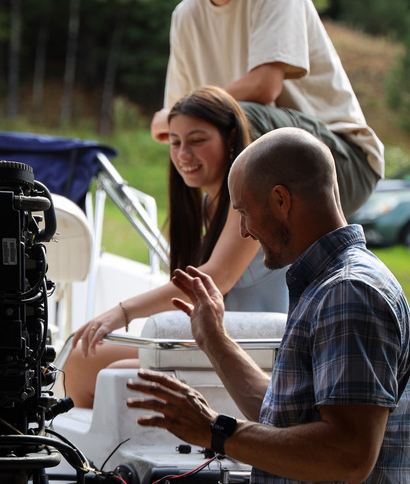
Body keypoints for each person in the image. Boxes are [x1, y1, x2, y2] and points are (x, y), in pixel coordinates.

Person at [127, 127, 410, 484]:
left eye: (245, 211)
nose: (244, 230)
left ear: (281, 200)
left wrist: (217, 431)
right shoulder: (329, 285)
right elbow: (289, 417)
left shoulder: (348, 292)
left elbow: (349, 453)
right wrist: (215, 340)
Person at [147, 0, 383, 218]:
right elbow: (175, 126)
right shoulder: (185, 14)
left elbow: (264, 87)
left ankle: (223, 268)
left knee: (240, 115)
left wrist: (177, 118)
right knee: (194, 143)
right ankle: (206, 253)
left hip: (337, 162)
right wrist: (178, 123)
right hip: (267, 159)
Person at [64, 87, 288, 408]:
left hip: (259, 348)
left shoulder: (252, 197)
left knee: (100, 372)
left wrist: (121, 312)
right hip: (224, 340)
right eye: (175, 142)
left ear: (231, 139)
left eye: (197, 141)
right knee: (80, 358)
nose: (183, 153)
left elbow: (214, 280)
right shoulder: (210, 204)